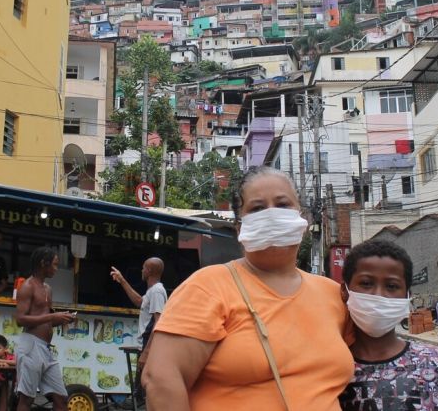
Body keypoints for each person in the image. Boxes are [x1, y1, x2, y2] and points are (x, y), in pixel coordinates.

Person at [142, 167, 355, 411]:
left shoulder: (332, 294)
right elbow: (161, 380)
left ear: (302, 215)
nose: (272, 214)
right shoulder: (208, 286)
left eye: (283, 205)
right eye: (257, 209)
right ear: (239, 228)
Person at [338, 240, 438, 410]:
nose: (379, 295)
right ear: (345, 291)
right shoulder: (330, 366)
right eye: (366, 283)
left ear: (407, 295)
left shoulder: (436, 363)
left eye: (392, 286)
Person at [14, 246, 75, 411]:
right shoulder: (27, 286)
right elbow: (20, 320)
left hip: (46, 349)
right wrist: (52, 317)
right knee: (26, 399)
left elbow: (45, 321)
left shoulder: (48, 288)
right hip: (31, 346)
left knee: (62, 398)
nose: (56, 268)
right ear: (43, 263)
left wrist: (62, 319)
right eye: (54, 264)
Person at [110, 257, 166, 407]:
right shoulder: (152, 291)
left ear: (149, 271)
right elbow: (139, 301)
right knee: (139, 394)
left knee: (142, 395)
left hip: (150, 347)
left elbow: (158, 323)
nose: (141, 270)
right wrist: (122, 280)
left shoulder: (157, 292)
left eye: (143, 268)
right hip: (146, 346)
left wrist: (146, 352)